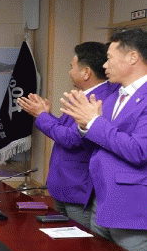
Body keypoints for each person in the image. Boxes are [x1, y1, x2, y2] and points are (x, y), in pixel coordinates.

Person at [60, 29, 147, 251]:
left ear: (132, 57)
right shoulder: (116, 95)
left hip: (132, 206)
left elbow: (139, 151)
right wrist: (84, 125)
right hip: (103, 198)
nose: (105, 65)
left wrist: (93, 122)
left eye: (109, 58)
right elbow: (99, 135)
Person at [17, 42, 117, 228]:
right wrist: (46, 115)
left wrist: (41, 115)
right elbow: (67, 131)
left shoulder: (98, 98)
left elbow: (71, 139)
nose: (70, 72)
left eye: (72, 67)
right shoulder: (86, 95)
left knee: (79, 239)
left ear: (86, 72)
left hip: (78, 185)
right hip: (66, 185)